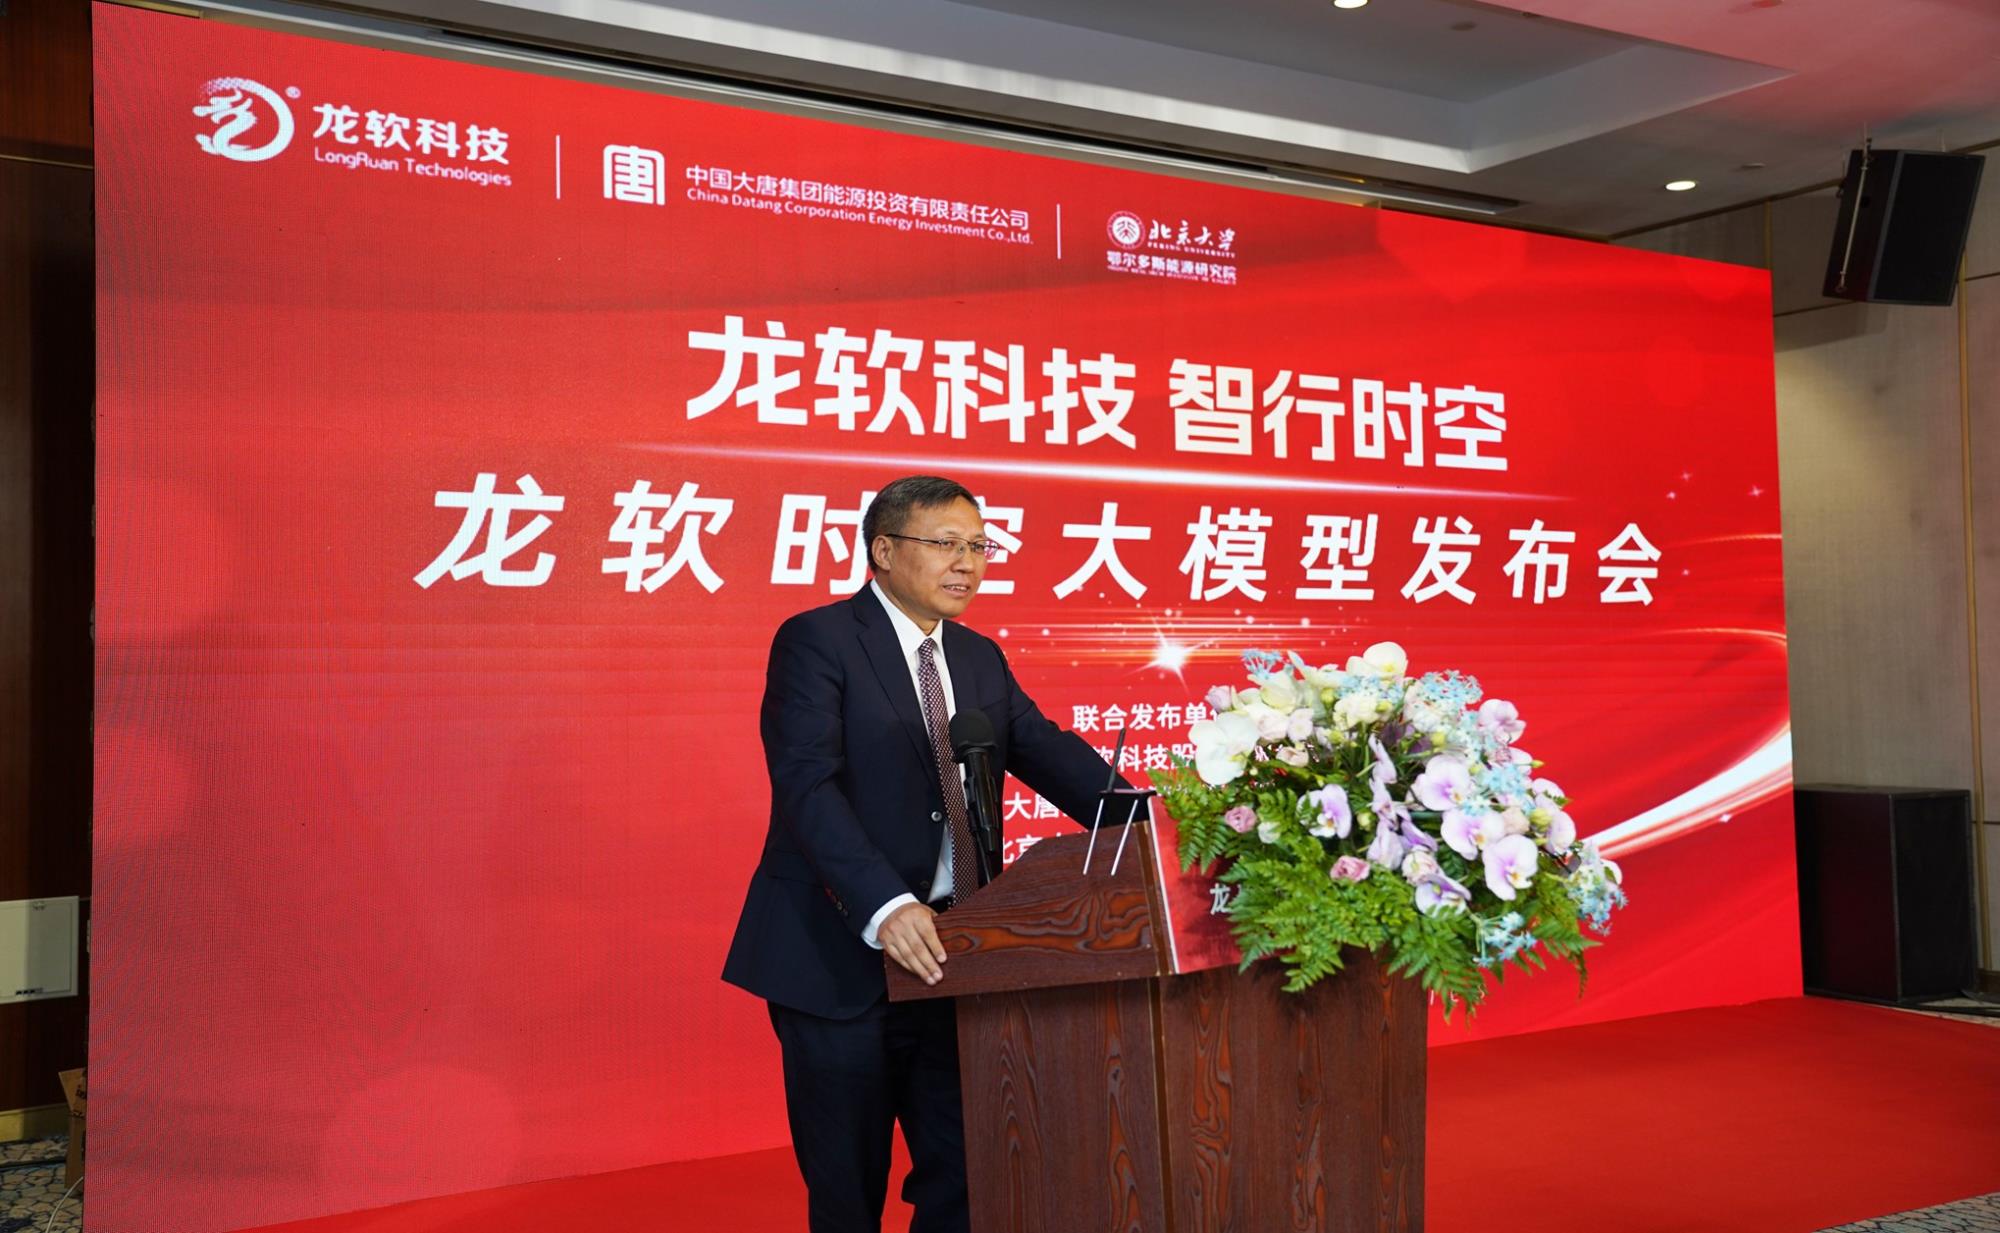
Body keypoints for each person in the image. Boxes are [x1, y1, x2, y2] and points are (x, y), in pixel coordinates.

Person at [722, 474, 1126, 1233]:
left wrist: (1159, 830)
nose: (967, 563)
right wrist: (886, 904)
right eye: (945, 544)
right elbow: (807, 787)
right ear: (883, 550)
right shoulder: (819, 641)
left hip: (956, 956)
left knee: (969, 1172)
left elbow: (1051, 755)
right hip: (842, 956)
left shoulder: (977, 657)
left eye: (978, 545)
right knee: (848, 1190)